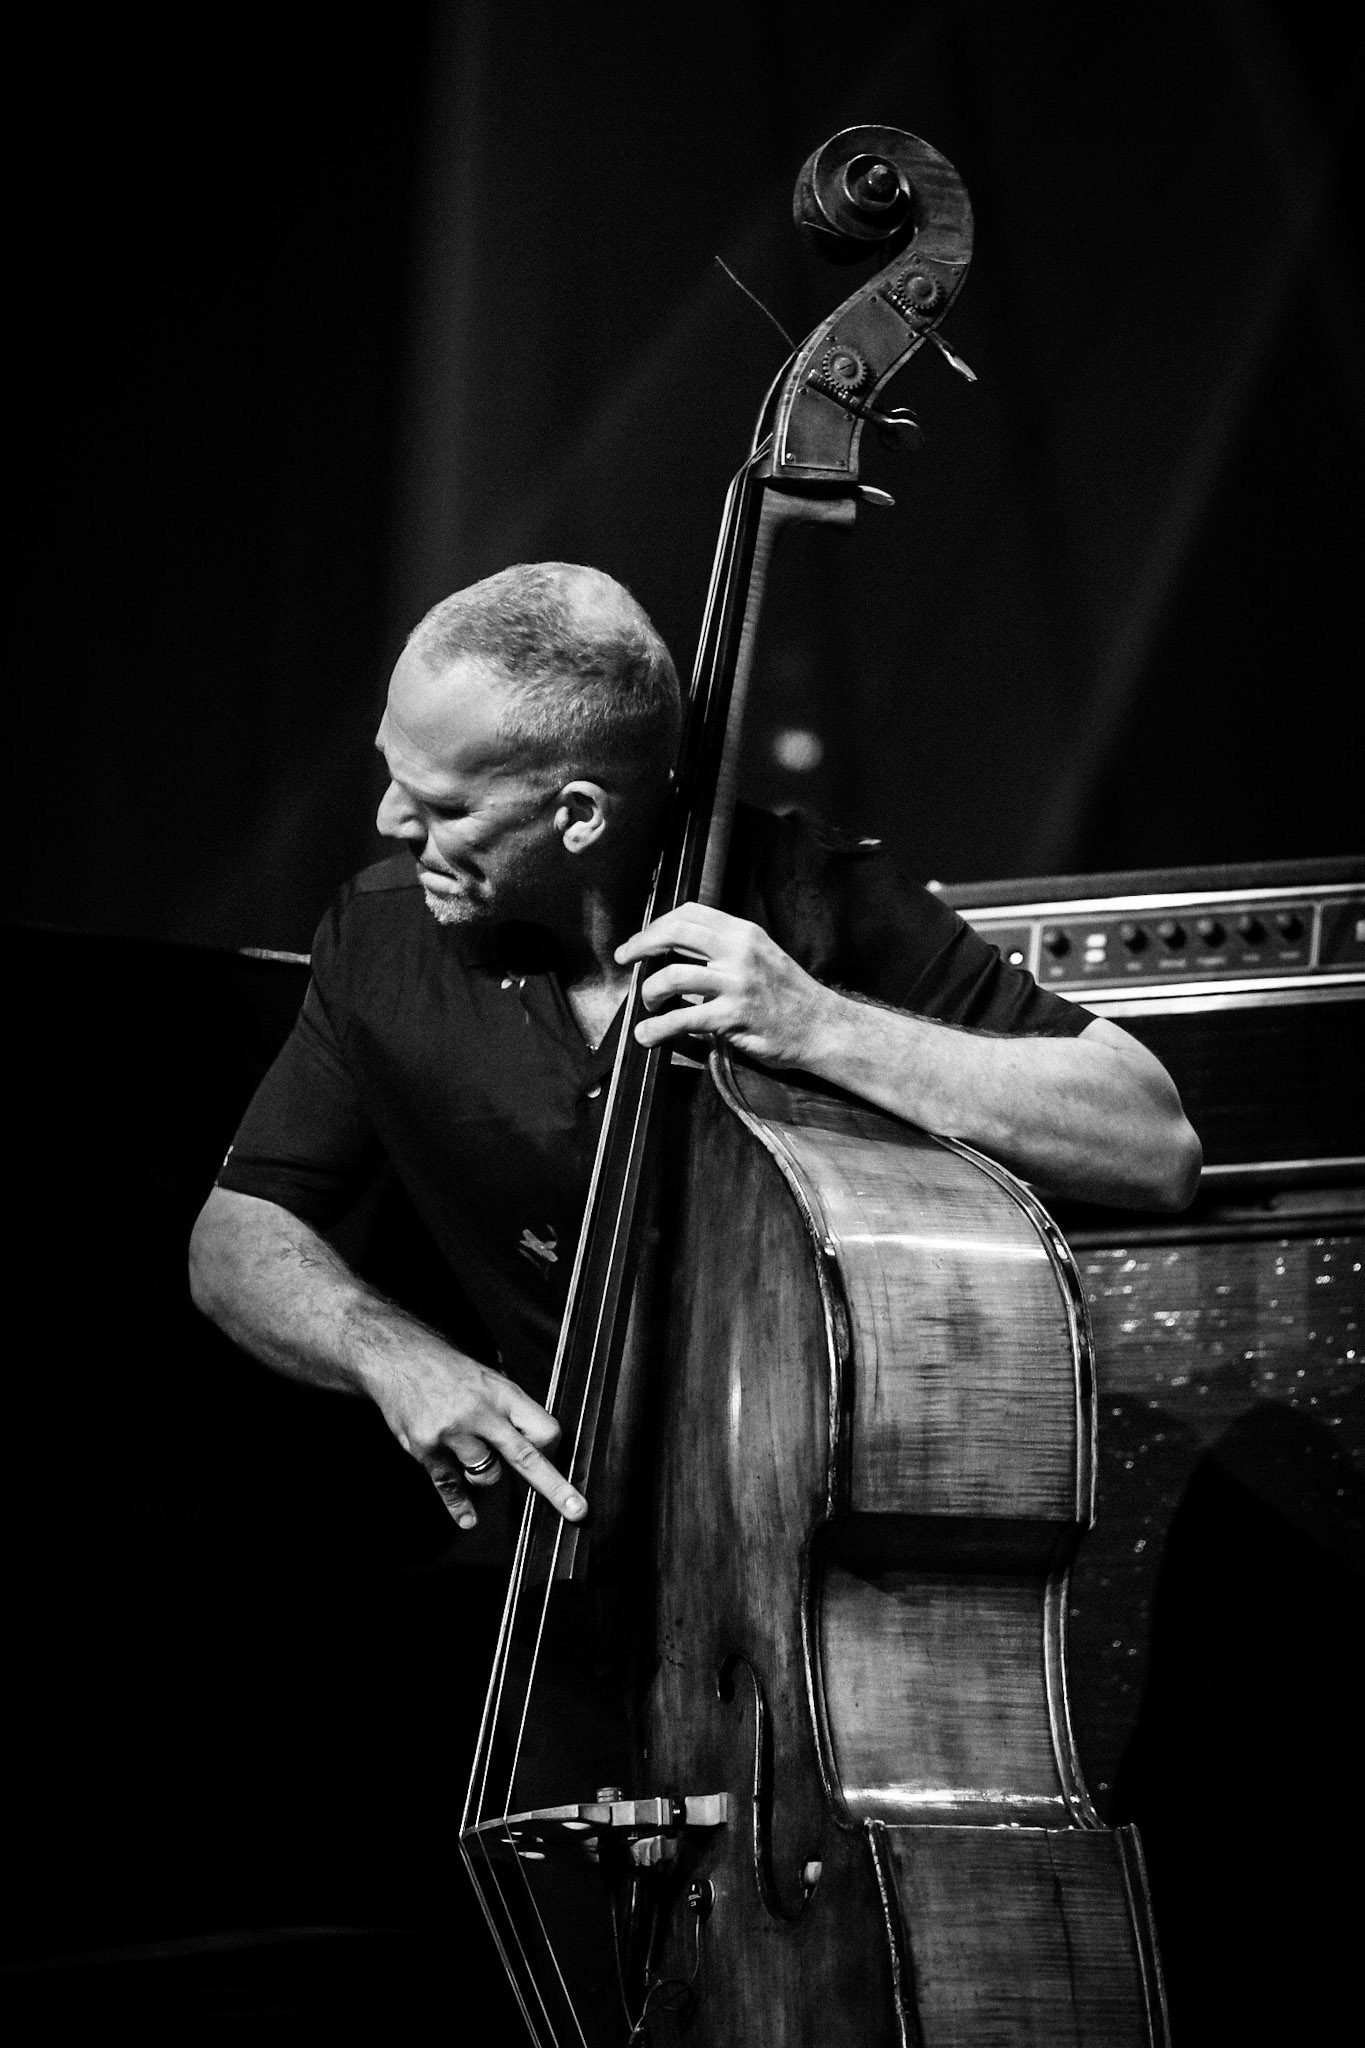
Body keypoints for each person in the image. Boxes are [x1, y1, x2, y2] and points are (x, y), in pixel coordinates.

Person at [189, 561, 1201, 1539]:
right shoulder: (380, 941)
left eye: (445, 806)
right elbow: (235, 1235)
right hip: (558, 1559)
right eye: (392, 774)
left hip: (817, 1548)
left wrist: (822, 1023)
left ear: (578, 814)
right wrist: (395, 1355)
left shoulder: (808, 899)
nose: (388, 820)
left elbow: (1153, 1142)